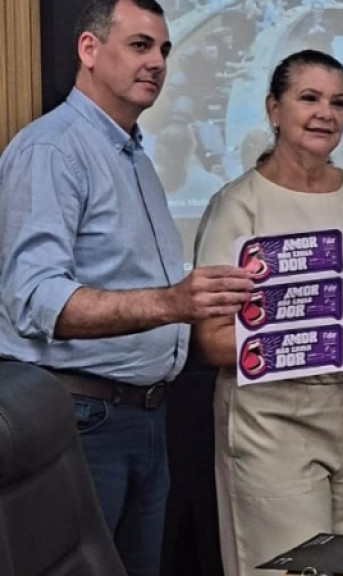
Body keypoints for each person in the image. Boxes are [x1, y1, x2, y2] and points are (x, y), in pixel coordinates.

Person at [0, 1, 254, 575]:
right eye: (140, 45)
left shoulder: (131, 153)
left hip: (146, 418)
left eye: (164, 49)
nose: (158, 62)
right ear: (89, 50)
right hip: (85, 421)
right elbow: (34, 300)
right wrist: (172, 303)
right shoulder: (52, 149)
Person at [192, 49, 343, 576]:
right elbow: (210, 340)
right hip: (274, 423)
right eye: (309, 98)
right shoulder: (239, 205)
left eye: (338, 102)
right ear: (274, 109)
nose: (326, 113)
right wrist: (314, 344)